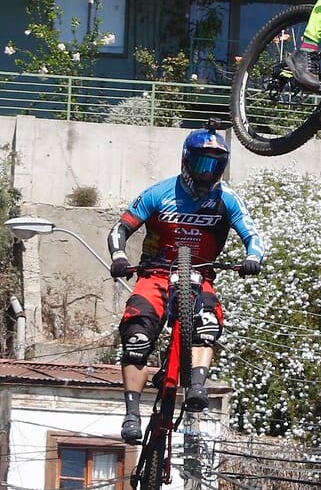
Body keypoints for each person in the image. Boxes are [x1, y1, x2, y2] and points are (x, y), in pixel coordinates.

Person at [107, 124, 267, 444]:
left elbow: (253, 236)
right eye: (201, 163)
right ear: (186, 160)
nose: (208, 173)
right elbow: (119, 230)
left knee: (207, 324)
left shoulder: (227, 199)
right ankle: (131, 414)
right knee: (137, 336)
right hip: (154, 275)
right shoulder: (157, 193)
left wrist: (254, 258)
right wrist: (119, 257)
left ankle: (197, 386)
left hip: (200, 276)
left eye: (215, 165)